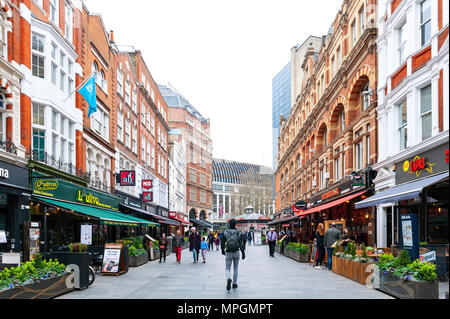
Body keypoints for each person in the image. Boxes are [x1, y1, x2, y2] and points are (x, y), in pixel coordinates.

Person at [221, 219, 245, 291]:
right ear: (235, 224)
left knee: (227, 268)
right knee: (236, 268)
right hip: (236, 252)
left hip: (228, 252)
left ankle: (228, 278)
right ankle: (234, 284)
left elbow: (222, 242)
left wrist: (222, 250)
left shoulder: (225, 232)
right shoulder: (238, 232)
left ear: (229, 224)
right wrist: (243, 253)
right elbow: (241, 243)